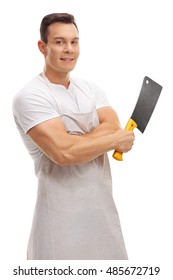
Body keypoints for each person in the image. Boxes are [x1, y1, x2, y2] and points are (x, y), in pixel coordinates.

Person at [12, 13, 135, 260]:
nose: (69, 49)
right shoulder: (30, 96)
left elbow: (111, 125)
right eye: (59, 42)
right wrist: (113, 141)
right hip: (59, 223)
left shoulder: (91, 89)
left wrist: (74, 139)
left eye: (74, 42)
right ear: (42, 46)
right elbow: (64, 153)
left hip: (102, 216)